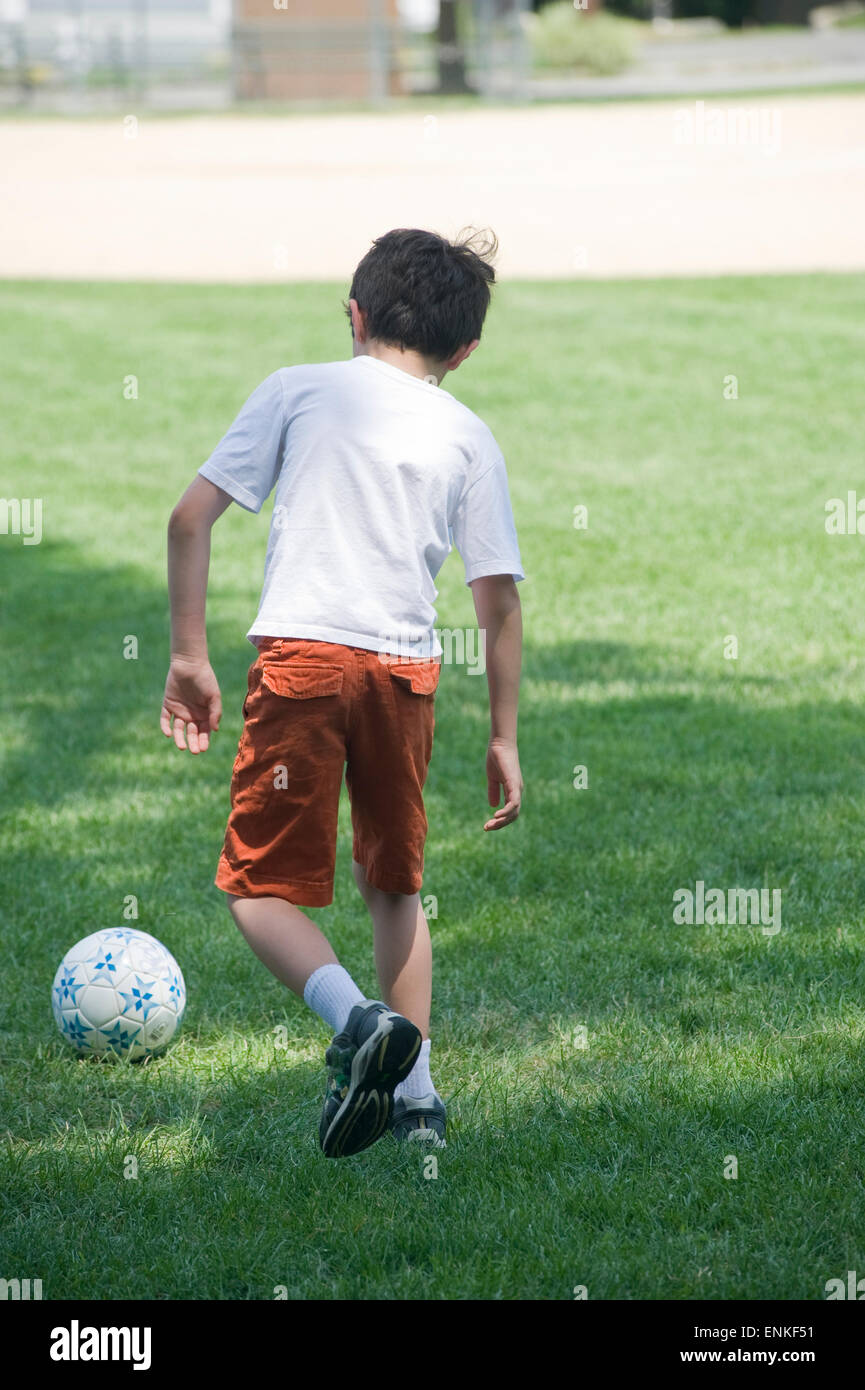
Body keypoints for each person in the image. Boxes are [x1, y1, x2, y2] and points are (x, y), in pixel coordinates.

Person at [160, 227, 525, 1157]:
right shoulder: (469, 432)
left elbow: (188, 519)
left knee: (254, 887)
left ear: (354, 315)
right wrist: (504, 739)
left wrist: (190, 657)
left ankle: (356, 1022)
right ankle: (421, 1108)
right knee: (393, 886)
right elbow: (498, 600)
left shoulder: (296, 387)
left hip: (305, 664)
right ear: (464, 351)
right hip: (405, 675)